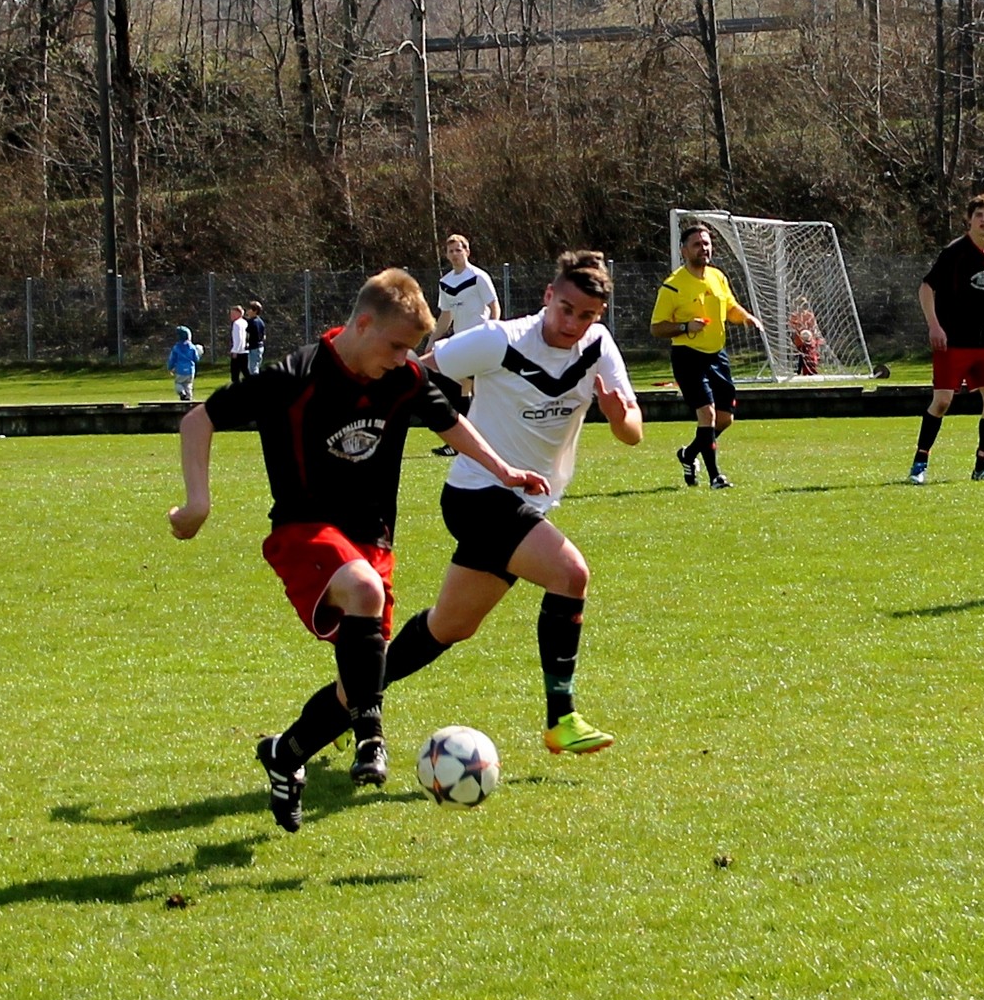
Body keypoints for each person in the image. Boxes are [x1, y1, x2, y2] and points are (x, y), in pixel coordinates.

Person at [168, 270, 548, 832]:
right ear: (362, 323)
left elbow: (452, 423)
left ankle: (286, 753)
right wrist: (197, 503)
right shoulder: (295, 374)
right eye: (396, 346)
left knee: (356, 681)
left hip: (372, 540)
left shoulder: (404, 376)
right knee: (364, 602)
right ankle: (372, 736)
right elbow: (198, 420)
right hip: (304, 530)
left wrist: (505, 470)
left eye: (411, 350)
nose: (403, 359)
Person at [260, 252, 644, 782]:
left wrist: (621, 414)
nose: (572, 323)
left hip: (529, 501)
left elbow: (633, 431)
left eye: (586, 315)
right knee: (570, 573)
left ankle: (320, 724)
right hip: (478, 493)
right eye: (566, 308)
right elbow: (420, 369)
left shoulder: (599, 348)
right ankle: (562, 718)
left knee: (448, 628)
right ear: (547, 297)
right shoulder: (497, 340)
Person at [908, 192, 984, 484]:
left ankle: (982, 467)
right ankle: (919, 464)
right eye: (979, 214)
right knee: (942, 401)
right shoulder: (954, 252)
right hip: (952, 341)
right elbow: (926, 288)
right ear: (969, 219)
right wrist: (934, 326)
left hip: (982, 342)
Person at [650, 221, 765, 488]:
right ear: (684, 251)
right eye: (697, 244)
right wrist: (684, 327)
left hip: (717, 355)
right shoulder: (673, 286)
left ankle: (688, 454)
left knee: (725, 419)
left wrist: (746, 318)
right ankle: (716, 477)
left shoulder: (718, 276)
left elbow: (731, 306)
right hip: (688, 357)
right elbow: (656, 327)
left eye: (706, 244)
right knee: (708, 416)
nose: (703, 248)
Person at [429, 234, 501, 456]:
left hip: (479, 341)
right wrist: (432, 339)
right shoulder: (446, 282)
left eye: (458, 250)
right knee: (463, 390)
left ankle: (473, 441)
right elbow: (446, 316)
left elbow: (494, 306)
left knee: (475, 389)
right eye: (451, 251)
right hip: (461, 343)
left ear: (467, 252)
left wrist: (492, 331)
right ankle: (464, 442)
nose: (454, 255)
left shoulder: (478, 277)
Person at [788, 295, 824, 376]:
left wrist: (811, 335)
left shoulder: (809, 315)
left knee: (810, 354)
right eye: (801, 304)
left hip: (809, 339)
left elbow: (813, 327)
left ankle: (812, 370)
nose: (803, 306)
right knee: (800, 354)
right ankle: (798, 370)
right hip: (799, 339)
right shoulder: (794, 316)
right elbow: (791, 328)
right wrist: (799, 332)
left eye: (804, 304)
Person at [168, 325, 204, 401]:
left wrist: (170, 367)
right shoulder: (192, 347)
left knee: (178, 383)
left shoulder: (176, 347)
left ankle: (182, 393)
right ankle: (188, 397)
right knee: (188, 385)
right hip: (190, 370)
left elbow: (172, 359)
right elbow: (196, 358)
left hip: (180, 370)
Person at [226, 305, 249, 385]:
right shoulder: (244, 322)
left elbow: (238, 338)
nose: (231, 316)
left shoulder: (236, 324)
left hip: (238, 352)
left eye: (233, 314)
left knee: (235, 373)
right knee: (245, 371)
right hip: (245, 351)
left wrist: (235, 351)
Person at [245, 301, 267, 376]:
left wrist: (247, 342)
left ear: (255, 311)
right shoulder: (261, 322)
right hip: (260, 347)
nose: (247, 311)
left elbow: (248, 335)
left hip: (254, 348)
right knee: (254, 367)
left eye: (249, 309)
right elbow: (264, 336)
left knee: (253, 369)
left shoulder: (252, 322)